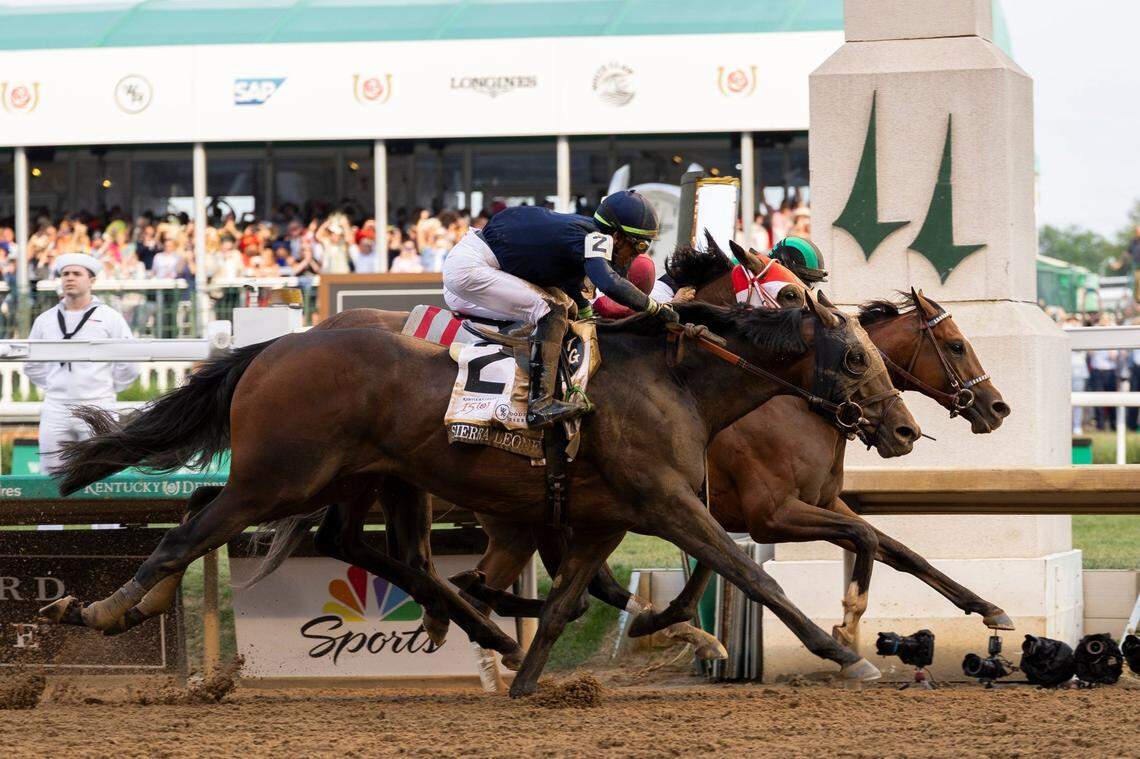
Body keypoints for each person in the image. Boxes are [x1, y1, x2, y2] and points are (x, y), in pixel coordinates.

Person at [442, 190, 673, 428]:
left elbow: (569, 285)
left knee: (565, 308)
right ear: (617, 236)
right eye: (640, 245)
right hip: (471, 268)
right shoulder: (597, 237)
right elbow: (609, 283)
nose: (637, 255)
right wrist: (655, 308)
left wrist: (584, 312)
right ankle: (539, 405)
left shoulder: (582, 232)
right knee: (551, 312)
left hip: (475, 264)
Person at [23, 253, 139, 475]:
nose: (69, 278)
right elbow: (31, 365)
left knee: (102, 471)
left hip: (98, 404)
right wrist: (54, 386)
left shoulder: (109, 317)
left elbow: (129, 364)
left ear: (92, 280)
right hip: (56, 407)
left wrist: (106, 387)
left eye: (77, 273)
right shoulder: (45, 320)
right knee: (51, 474)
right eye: (65, 274)